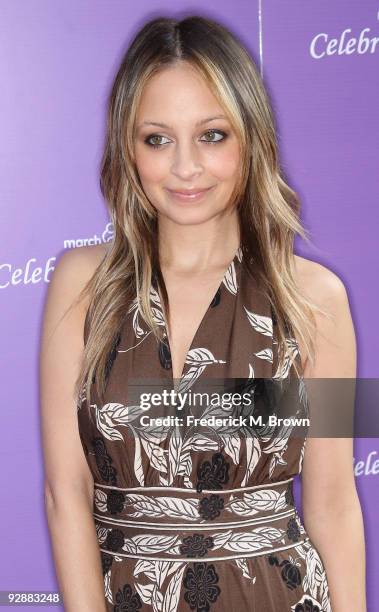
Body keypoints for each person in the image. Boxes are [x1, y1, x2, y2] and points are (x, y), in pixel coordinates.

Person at [40, 14, 366, 612]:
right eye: (157, 139)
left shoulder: (318, 297)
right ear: (127, 147)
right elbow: (66, 492)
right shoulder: (81, 284)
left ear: (251, 137)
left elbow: (333, 501)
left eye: (212, 135)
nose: (185, 167)